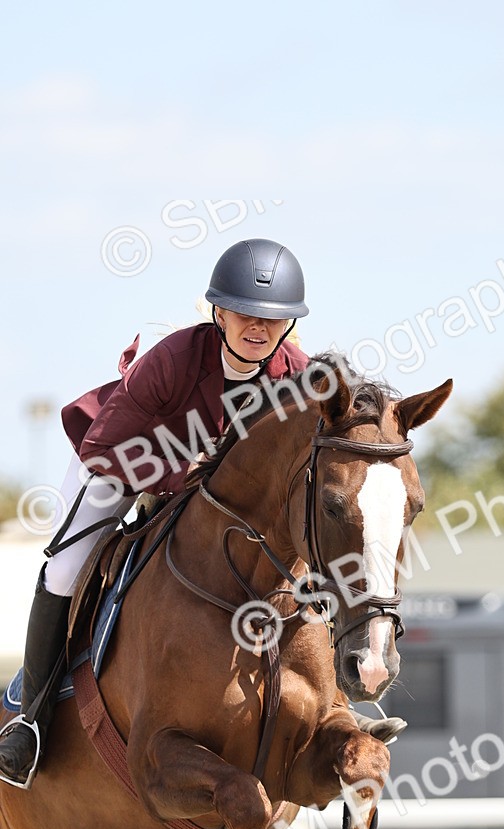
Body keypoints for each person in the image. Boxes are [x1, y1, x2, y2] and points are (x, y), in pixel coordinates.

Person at [0, 239, 402, 790]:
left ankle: (329, 702)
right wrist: (185, 471)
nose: (257, 328)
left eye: (272, 318)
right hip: (122, 461)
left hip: (210, 493)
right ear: (219, 311)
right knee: (65, 567)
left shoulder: (297, 377)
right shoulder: (172, 361)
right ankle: (31, 719)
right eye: (244, 313)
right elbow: (105, 448)